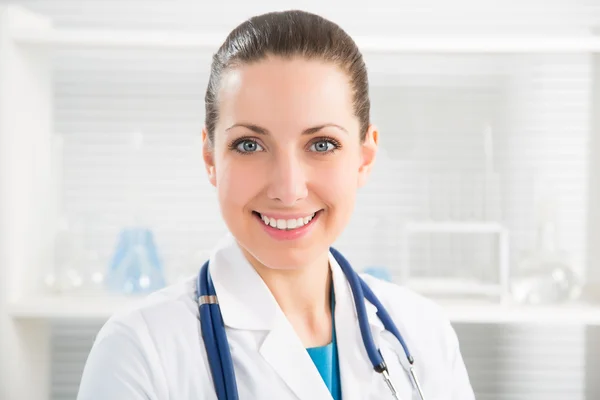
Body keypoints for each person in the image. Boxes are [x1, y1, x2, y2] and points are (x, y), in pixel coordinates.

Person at [77, 10, 475, 400]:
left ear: (364, 158)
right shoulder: (139, 353)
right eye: (250, 145)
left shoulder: (423, 334)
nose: (288, 189)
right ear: (211, 157)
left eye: (322, 144)